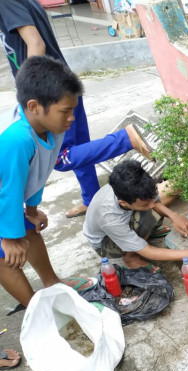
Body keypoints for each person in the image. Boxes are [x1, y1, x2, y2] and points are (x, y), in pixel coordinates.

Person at [0, 0, 152, 219]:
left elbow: (36, 43)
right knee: (79, 149)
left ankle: (125, 139)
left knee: (60, 158)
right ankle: (91, 199)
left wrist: (32, 91)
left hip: (49, 98)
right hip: (63, 87)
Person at [0, 55, 105, 307]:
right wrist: (10, 238)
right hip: (4, 191)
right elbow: (9, 190)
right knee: (6, 258)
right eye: (65, 111)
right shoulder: (16, 138)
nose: (72, 118)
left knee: (30, 227)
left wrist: (32, 210)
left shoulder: (53, 128)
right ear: (34, 106)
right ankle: (37, 310)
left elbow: (38, 173)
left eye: (73, 110)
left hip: (7, 191)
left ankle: (52, 284)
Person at [83, 160, 188, 272]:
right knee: (148, 216)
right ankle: (130, 257)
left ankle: (144, 232)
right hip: (106, 244)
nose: (152, 205)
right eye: (145, 203)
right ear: (124, 203)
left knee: (152, 210)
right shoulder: (109, 217)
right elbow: (147, 251)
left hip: (125, 219)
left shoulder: (138, 185)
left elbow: (154, 202)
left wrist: (174, 216)